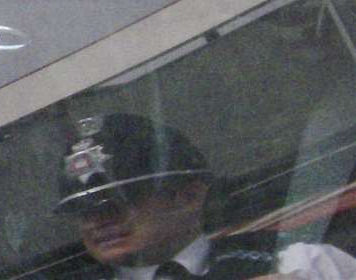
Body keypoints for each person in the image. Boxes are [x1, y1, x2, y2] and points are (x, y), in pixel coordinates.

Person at [51, 112, 356, 279]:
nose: (97, 221)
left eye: (116, 203)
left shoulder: (298, 266)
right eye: (82, 209)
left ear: (190, 196)